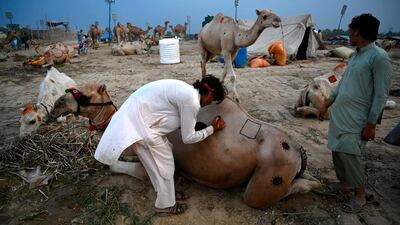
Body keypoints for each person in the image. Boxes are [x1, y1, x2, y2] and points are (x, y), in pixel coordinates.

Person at [94, 75, 227, 215]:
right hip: (143, 127)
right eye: (212, 100)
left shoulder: (186, 90)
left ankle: (167, 195)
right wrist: (212, 129)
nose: (208, 104)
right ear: (210, 92)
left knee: (155, 164)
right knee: (164, 166)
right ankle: (165, 206)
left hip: (139, 121)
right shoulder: (192, 101)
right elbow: (188, 138)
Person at [320, 14, 392, 213]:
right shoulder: (355, 55)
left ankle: (360, 196)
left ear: (357, 31)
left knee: (350, 154)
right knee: (337, 150)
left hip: (357, 119)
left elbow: (381, 94)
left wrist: (371, 124)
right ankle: (345, 183)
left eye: (350, 30)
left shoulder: (379, 57)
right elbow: (343, 83)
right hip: (341, 115)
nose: (348, 34)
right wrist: (328, 101)